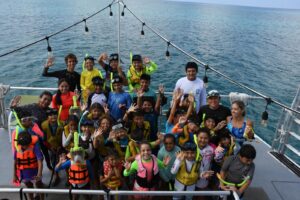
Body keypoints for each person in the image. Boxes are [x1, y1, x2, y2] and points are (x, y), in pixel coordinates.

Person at [13, 131, 44, 200]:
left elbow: (40, 161)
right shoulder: (17, 148)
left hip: (35, 172)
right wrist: (14, 175)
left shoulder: (35, 147)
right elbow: (15, 162)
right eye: (23, 144)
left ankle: (42, 198)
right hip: (24, 173)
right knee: (29, 188)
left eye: (26, 144)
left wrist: (39, 174)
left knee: (39, 186)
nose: (25, 146)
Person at [41, 108, 64, 186]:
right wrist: (50, 148)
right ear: (47, 117)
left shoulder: (62, 124)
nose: (53, 116)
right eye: (50, 115)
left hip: (61, 146)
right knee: (53, 161)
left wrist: (61, 147)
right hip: (51, 147)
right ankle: (56, 176)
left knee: (64, 160)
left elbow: (65, 137)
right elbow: (44, 139)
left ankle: (69, 177)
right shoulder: (44, 125)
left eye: (54, 114)